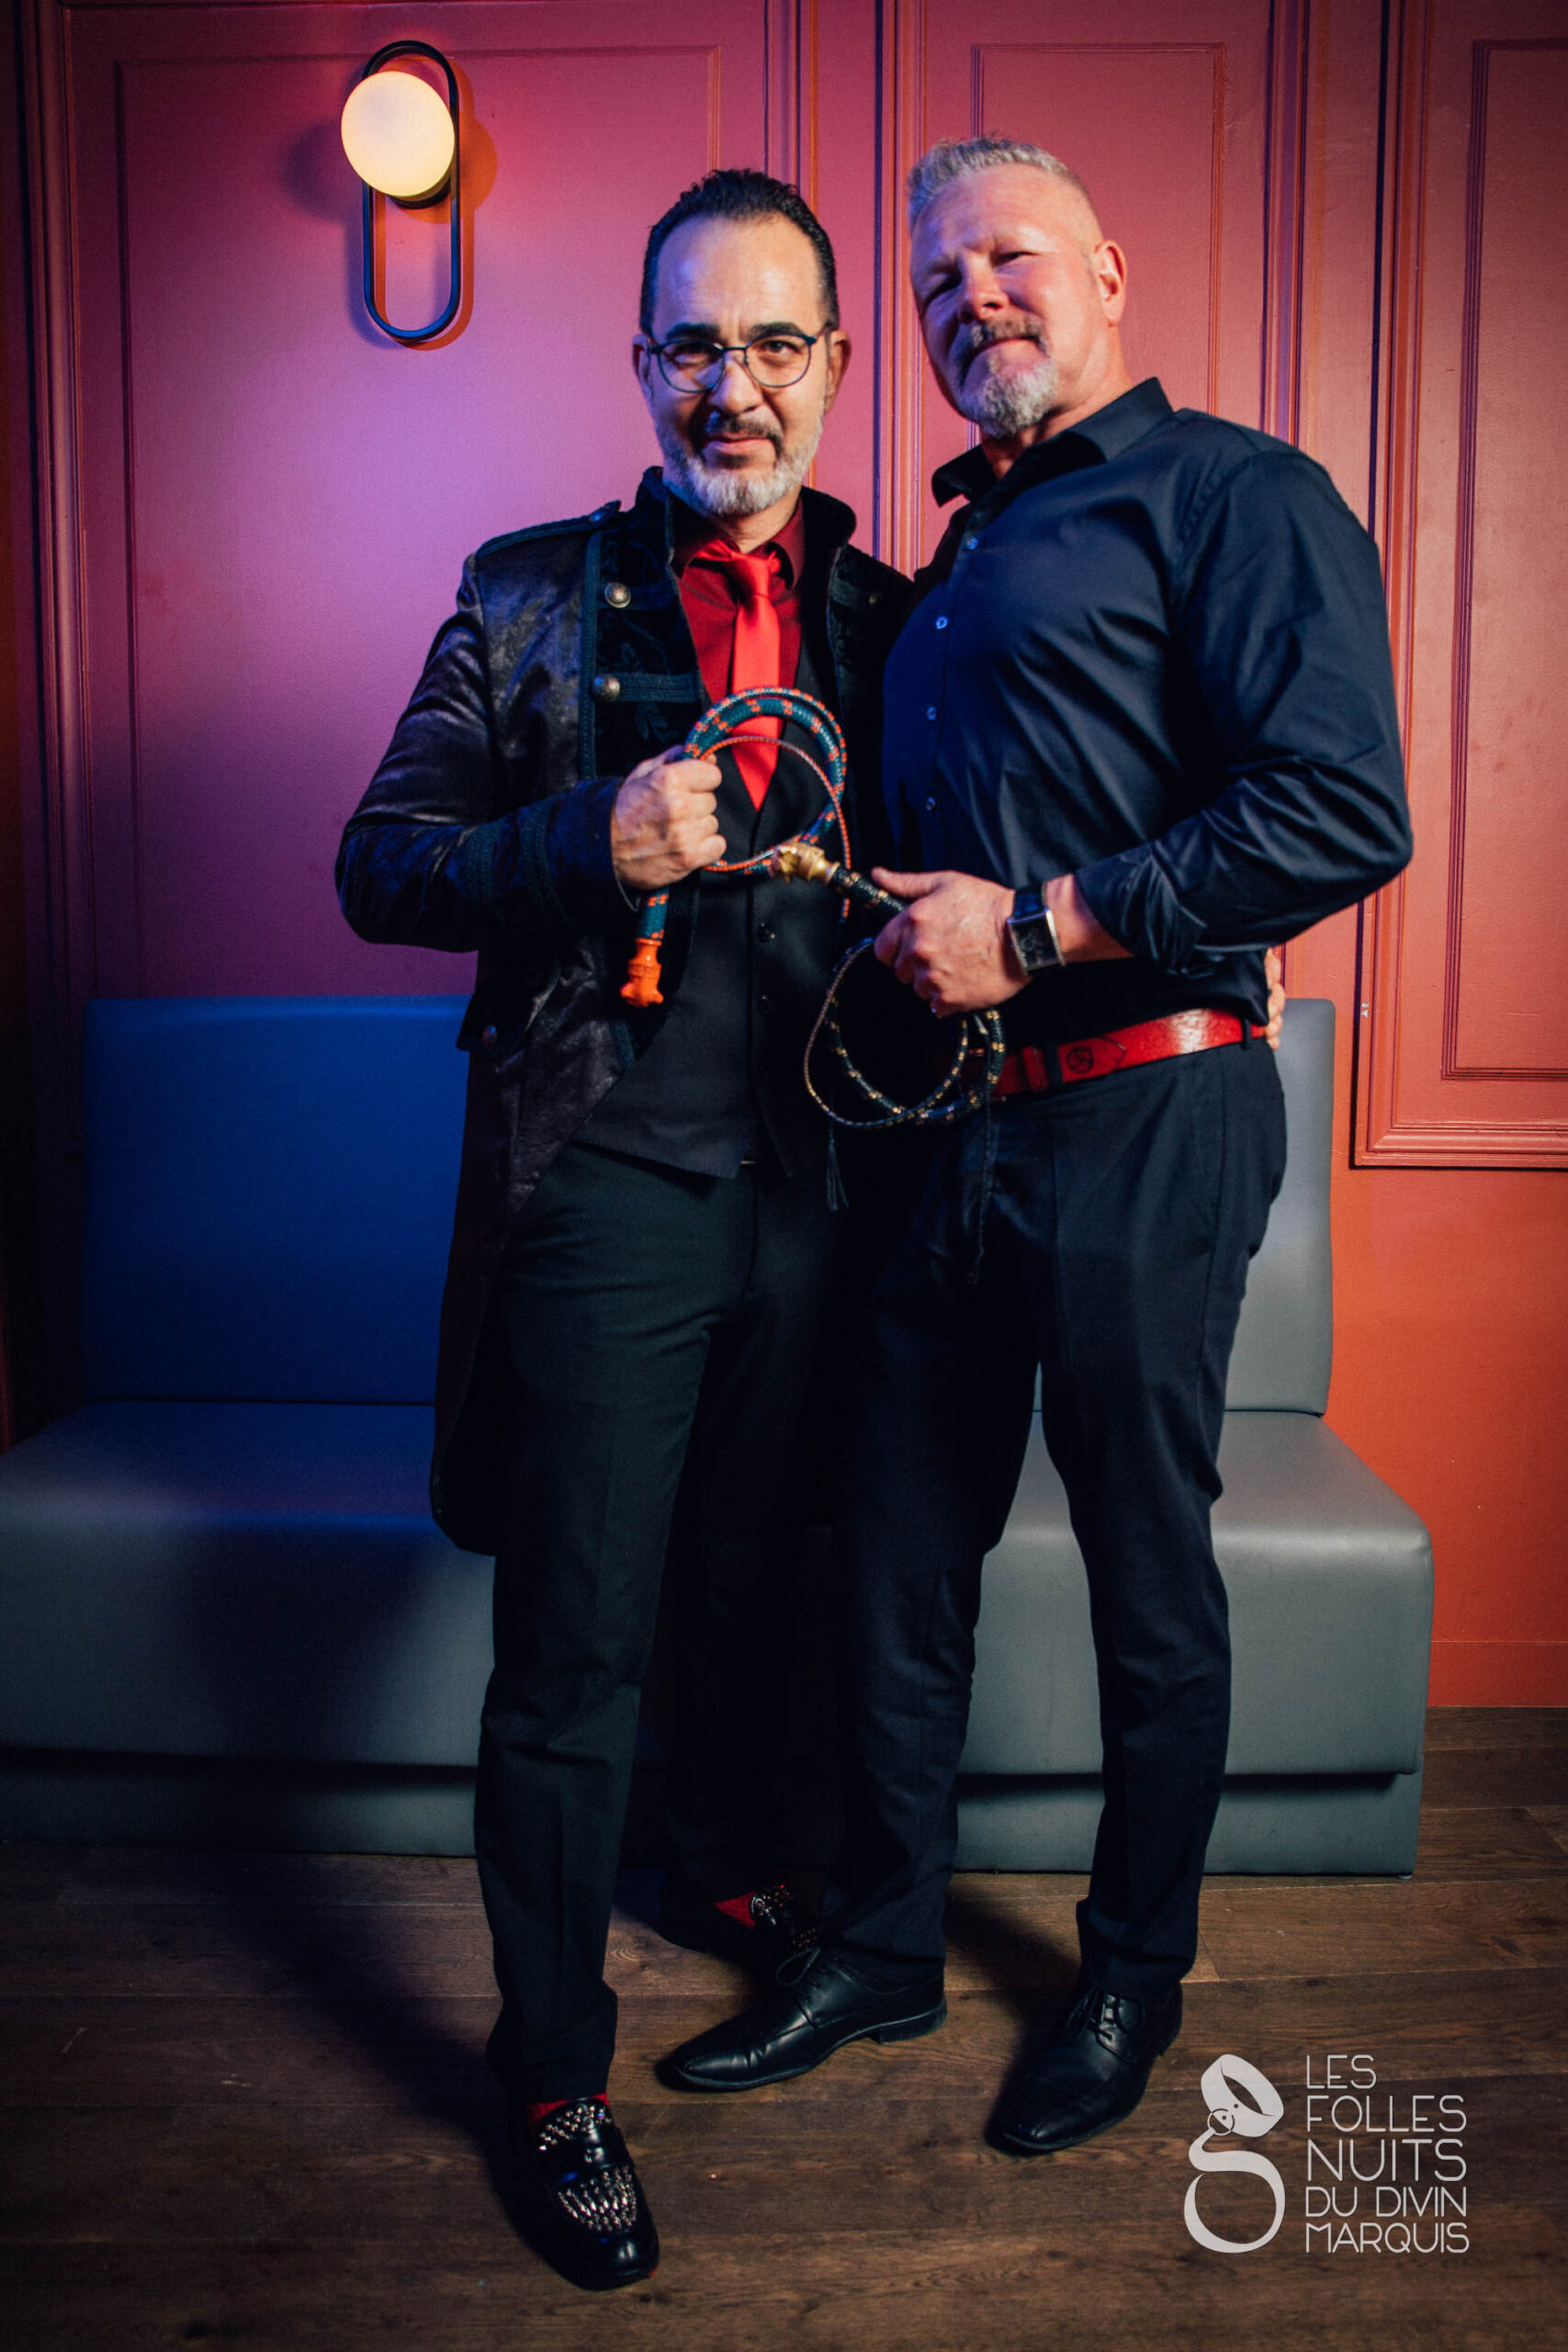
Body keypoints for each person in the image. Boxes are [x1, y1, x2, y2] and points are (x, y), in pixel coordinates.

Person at [662, 136, 1412, 2161]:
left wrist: (1048, 922)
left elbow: (1344, 807)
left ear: (1105, 270)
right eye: (934, 280)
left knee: (1148, 1572)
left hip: (1149, 1108)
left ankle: (1132, 1975)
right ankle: (882, 1947)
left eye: (1006, 256)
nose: (969, 296)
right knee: (894, 1560)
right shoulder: (952, 561)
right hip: (940, 1133)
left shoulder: (1236, 494)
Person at [335, 169, 905, 2291]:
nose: (730, 385)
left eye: (773, 343)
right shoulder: (522, 596)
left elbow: (1005, 846)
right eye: (692, 342)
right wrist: (596, 829)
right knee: (575, 1647)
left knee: (758, 1580)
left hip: (824, 1195)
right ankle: (552, 2070)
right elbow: (380, 861)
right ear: (641, 361)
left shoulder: (900, 615)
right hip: (600, 1193)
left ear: (831, 366)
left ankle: (728, 1859)